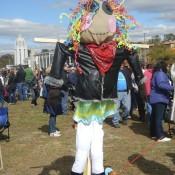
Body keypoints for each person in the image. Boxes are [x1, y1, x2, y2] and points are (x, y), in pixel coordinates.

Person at [150, 60, 174, 142]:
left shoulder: (157, 73)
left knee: (154, 117)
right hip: (159, 98)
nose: (168, 67)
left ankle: (154, 133)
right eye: (167, 66)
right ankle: (160, 136)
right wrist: (172, 88)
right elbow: (161, 84)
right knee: (158, 118)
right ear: (163, 66)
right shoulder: (160, 73)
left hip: (156, 98)